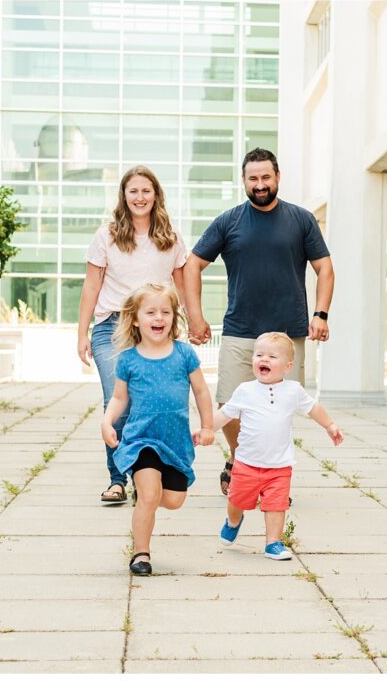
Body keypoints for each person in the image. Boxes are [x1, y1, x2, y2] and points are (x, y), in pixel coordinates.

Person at [183, 147, 334, 496]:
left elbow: (324, 267)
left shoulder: (301, 219)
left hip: (287, 334)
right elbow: (192, 265)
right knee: (229, 404)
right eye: (253, 178)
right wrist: (196, 316)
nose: (260, 184)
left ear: (277, 177)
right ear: (244, 181)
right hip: (240, 330)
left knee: (280, 408)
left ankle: (272, 473)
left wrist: (320, 314)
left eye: (266, 177)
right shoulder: (229, 221)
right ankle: (241, 460)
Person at [78, 166, 188, 504]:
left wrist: (191, 322)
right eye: (133, 191)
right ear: (124, 196)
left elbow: (182, 285)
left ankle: (145, 475)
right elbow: (92, 284)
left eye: (146, 191)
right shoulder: (107, 235)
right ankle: (117, 480)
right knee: (118, 401)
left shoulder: (171, 237)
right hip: (112, 326)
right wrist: (82, 332)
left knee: (148, 404)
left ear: (156, 195)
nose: (140, 197)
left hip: (153, 329)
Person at [101, 283, 215, 576]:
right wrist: (106, 421)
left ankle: (145, 496)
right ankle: (141, 553)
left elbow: (201, 392)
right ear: (136, 319)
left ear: (173, 318)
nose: (159, 317)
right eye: (150, 312)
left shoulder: (184, 354)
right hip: (142, 440)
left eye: (165, 311)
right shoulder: (128, 359)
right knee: (150, 495)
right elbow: (119, 397)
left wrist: (207, 426)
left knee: (174, 500)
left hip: (175, 442)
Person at [198, 332, 343, 560]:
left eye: (272, 356)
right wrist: (205, 429)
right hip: (246, 462)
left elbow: (313, 408)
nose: (263, 359)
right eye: (259, 355)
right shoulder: (245, 390)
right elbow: (225, 414)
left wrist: (330, 425)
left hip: (279, 465)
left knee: (277, 505)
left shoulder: (293, 390)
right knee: (236, 500)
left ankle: (273, 543)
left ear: (287, 366)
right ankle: (234, 521)